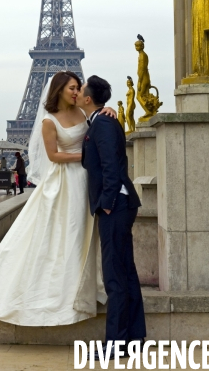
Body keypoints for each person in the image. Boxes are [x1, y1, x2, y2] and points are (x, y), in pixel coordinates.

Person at [0, 71, 115, 326]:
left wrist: (108, 108)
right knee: (66, 233)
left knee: (82, 235)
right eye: (72, 88)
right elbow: (54, 156)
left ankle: (82, 287)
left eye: (78, 87)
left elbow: (96, 118)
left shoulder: (82, 112)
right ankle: (61, 293)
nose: (77, 92)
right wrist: (86, 157)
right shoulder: (49, 121)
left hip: (84, 180)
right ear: (58, 90)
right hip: (65, 181)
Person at [77, 75, 146, 360]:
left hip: (115, 205)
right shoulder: (101, 120)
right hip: (121, 203)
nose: (78, 93)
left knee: (115, 276)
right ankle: (134, 337)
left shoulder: (102, 123)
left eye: (80, 90)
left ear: (89, 98)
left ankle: (116, 343)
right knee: (125, 272)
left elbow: (109, 165)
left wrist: (106, 202)